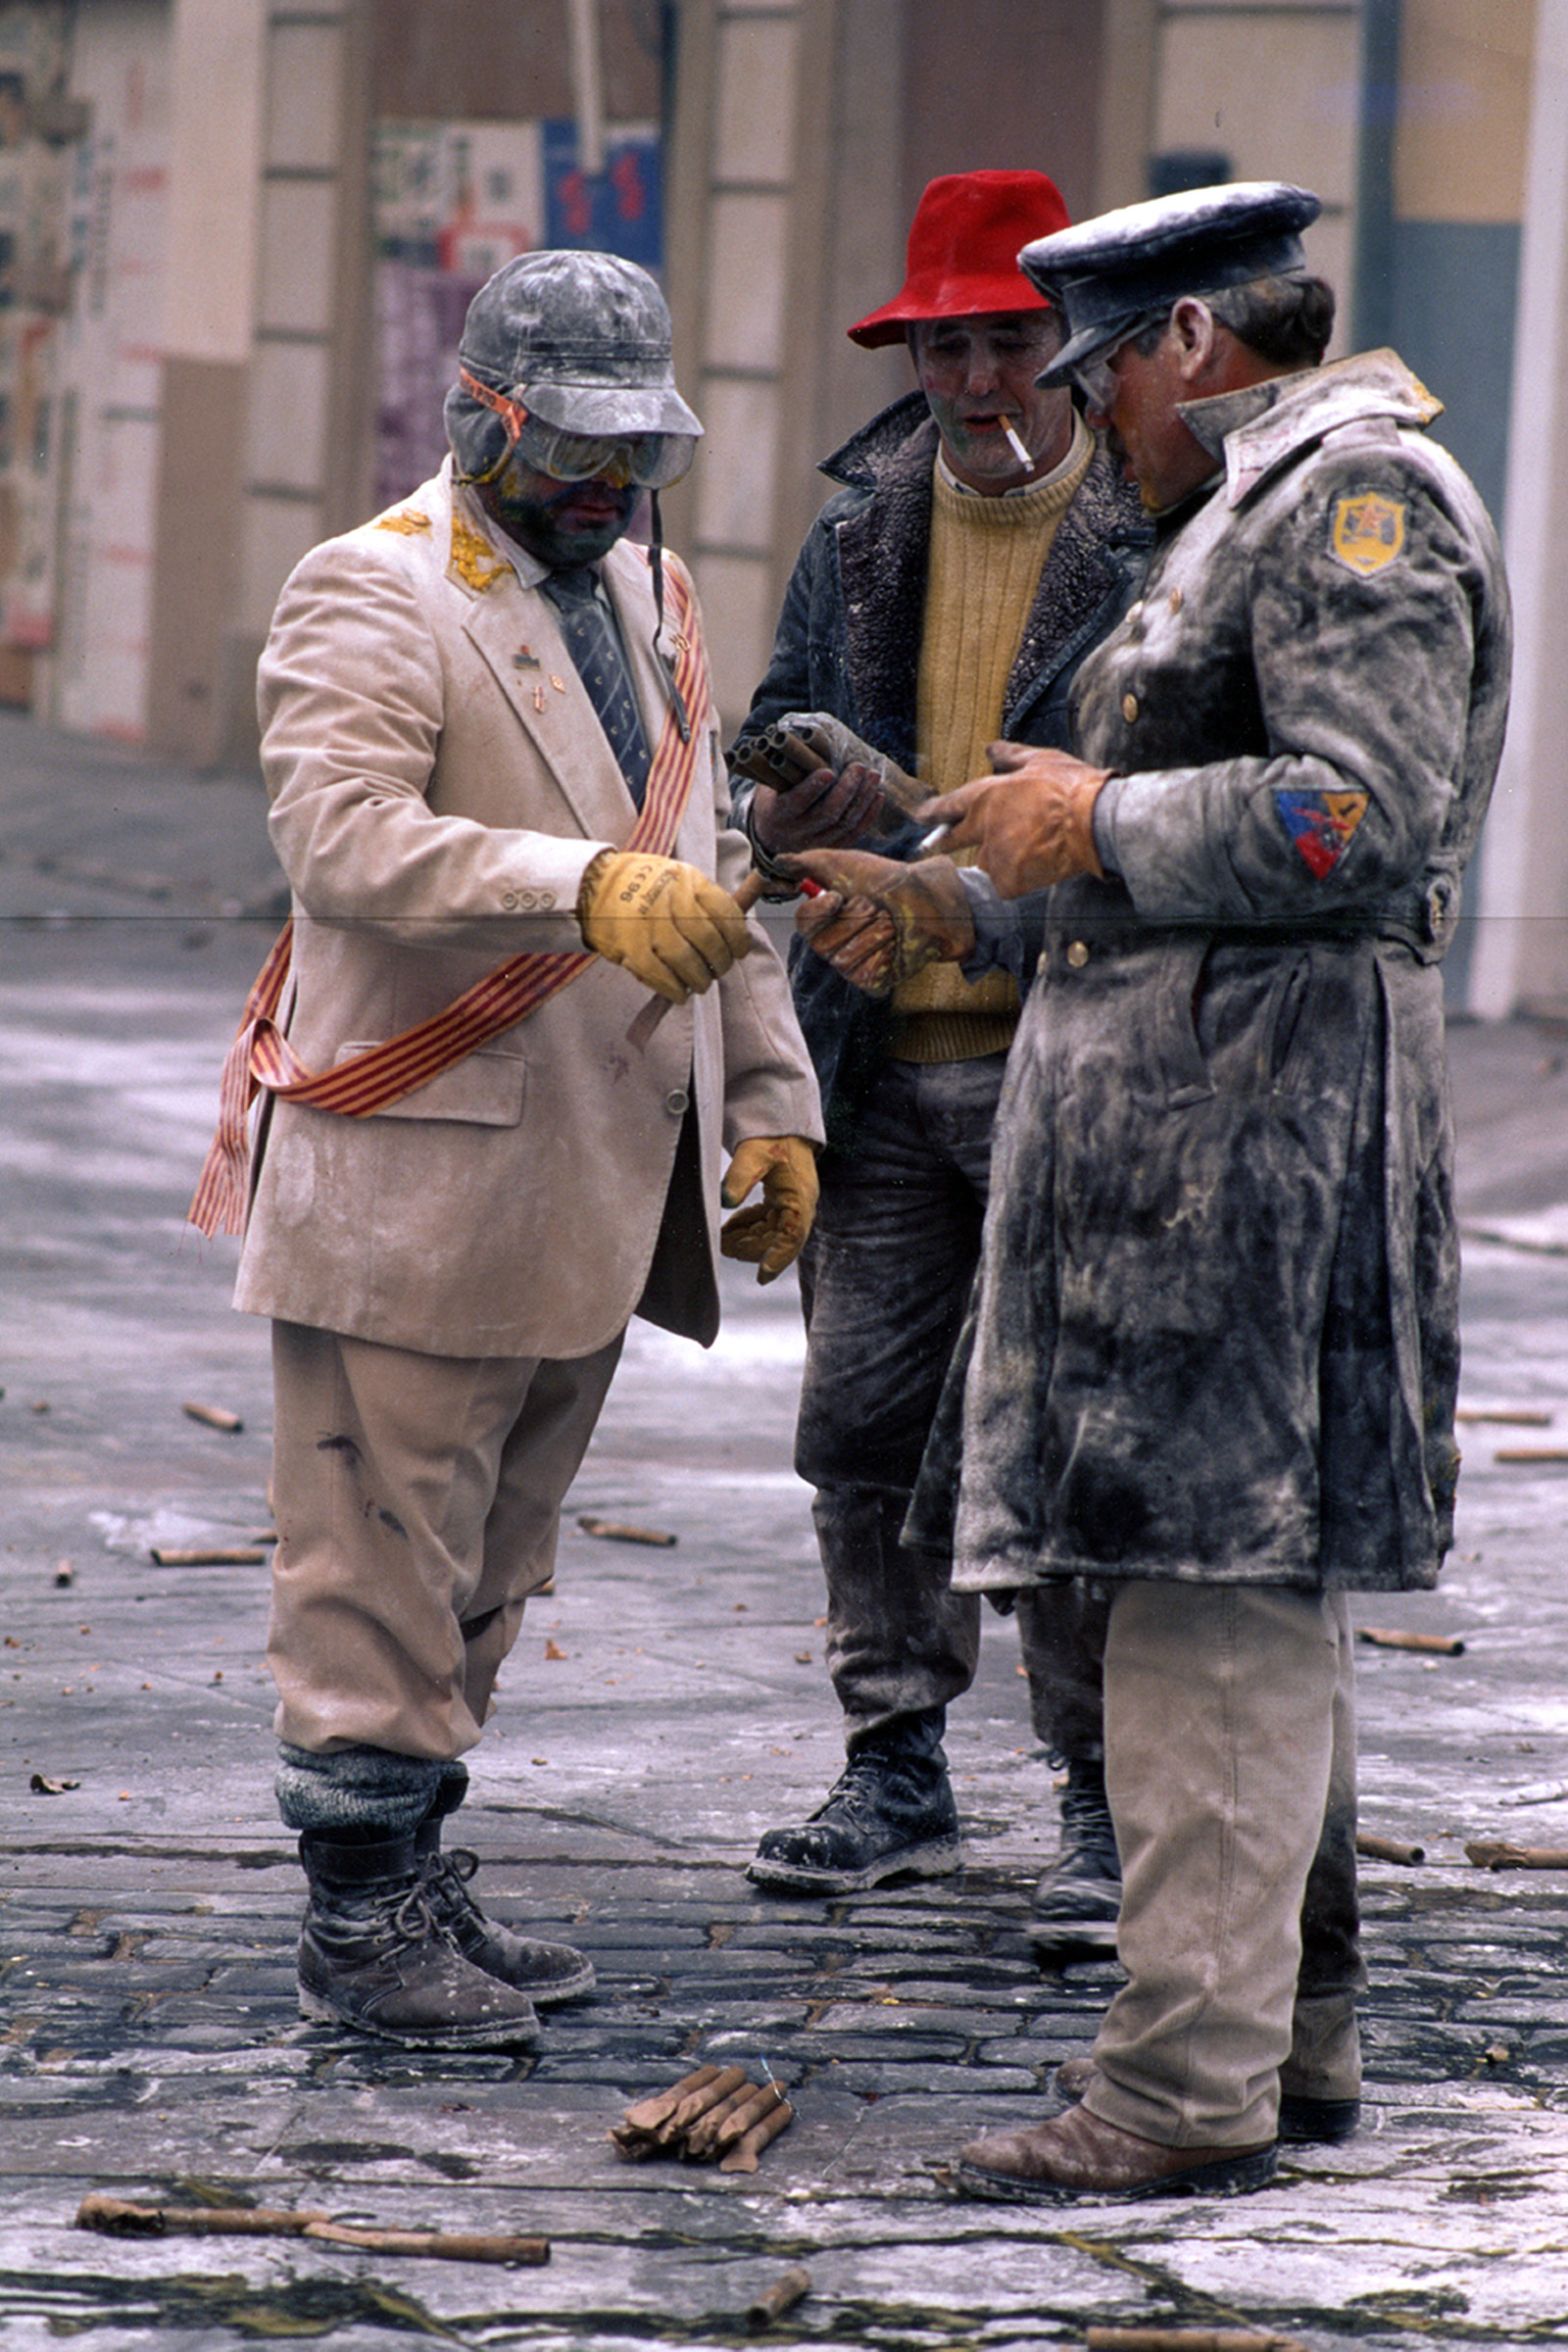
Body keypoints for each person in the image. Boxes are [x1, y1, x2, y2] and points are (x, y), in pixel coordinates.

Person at [785, 180, 1510, 2198]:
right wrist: (958, 887)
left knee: (1208, 1627)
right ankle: (1277, 2050)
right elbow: (1150, 874)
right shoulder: (1244, 512)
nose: (1089, 417)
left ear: (1192, 341)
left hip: (1246, 1165)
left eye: (1105, 373)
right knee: (1227, 1617)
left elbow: (1356, 822)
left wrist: (1084, 804)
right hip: (1183, 1162)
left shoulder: (1352, 503)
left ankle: (1179, 2089)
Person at [192, 251, 822, 2052]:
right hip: (414, 1174)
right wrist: (579, 888)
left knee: (483, 1573)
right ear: (484, 419)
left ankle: (416, 1864)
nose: (612, 491)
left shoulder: (653, 592)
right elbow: (344, 841)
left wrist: (774, 1106)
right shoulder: (372, 595)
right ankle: (360, 1919)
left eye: (640, 456)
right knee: (374, 1576)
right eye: (579, 454)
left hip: (588, 1184)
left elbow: (713, 876)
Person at [727, 171, 1152, 1931]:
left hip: (1072, 1050)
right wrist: (804, 802)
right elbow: (772, 746)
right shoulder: (862, 528)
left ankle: (1097, 1798)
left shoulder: (1155, 525)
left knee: (1054, 1437)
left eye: (1006, 340)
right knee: (861, 1426)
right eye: (946, 344)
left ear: (1067, 345)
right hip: (882, 1053)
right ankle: (893, 1762)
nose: (977, 378)